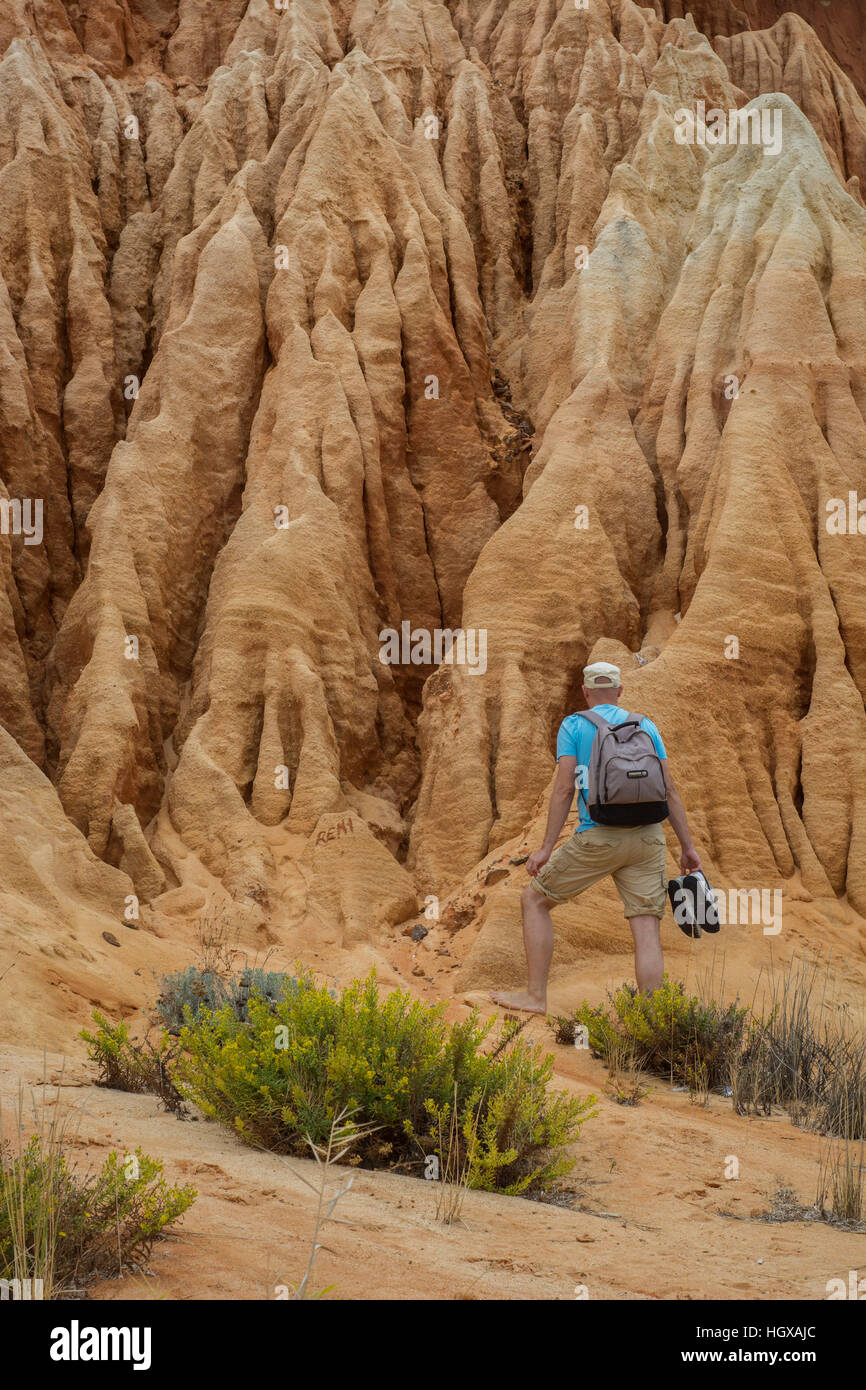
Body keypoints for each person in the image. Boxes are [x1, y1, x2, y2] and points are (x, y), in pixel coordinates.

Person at [491, 661, 701, 1014]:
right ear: (619, 691)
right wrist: (688, 848)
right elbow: (671, 790)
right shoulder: (645, 724)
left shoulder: (574, 725)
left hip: (599, 836)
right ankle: (652, 1022)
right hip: (648, 838)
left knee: (535, 901)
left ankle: (535, 997)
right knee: (646, 927)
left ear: (586, 692)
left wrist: (545, 848)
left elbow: (562, 791)